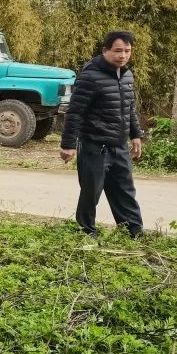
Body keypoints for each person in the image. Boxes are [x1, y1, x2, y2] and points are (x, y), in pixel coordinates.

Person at [59, 30, 145, 238]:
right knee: (91, 193)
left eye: (127, 51)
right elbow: (76, 111)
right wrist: (68, 144)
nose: (123, 56)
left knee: (125, 192)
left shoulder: (127, 75)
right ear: (105, 50)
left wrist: (136, 134)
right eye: (118, 51)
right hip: (94, 147)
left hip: (119, 146)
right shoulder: (90, 76)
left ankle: (133, 233)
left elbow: (129, 107)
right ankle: (86, 233)